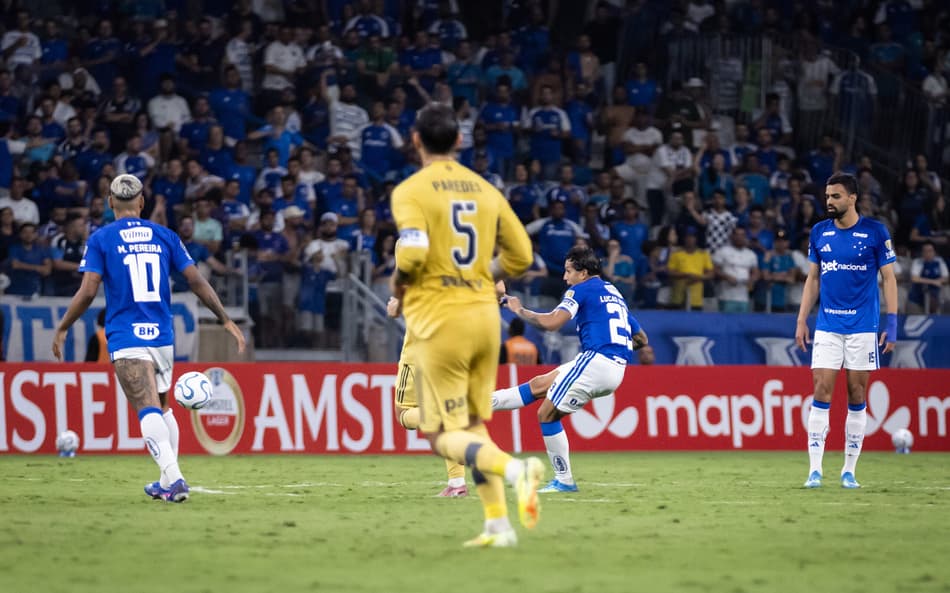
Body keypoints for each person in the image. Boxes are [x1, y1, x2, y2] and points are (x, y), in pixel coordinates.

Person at [389, 103, 542, 548]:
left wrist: (399, 293)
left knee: (440, 430)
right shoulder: (486, 189)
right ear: (459, 141)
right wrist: (478, 274)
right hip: (484, 318)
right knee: (472, 423)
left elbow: (413, 255)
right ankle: (498, 525)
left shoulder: (411, 192)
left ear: (415, 140)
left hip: (441, 318)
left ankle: (517, 470)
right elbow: (521, 257)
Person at [52, 174, 245, 503]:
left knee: (146, 408)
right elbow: (196, 280)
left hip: (126, 334)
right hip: (162, 336)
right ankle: (166, 481)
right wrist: (224, 318)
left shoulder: (102, 238)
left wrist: (63, 326)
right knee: (164, 407)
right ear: (141, 203)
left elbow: (87, 291)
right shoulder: (166, 236)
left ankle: (175, 478)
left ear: (111, 203)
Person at [495, 246, 644, 493]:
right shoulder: (614, 292)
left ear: (583, 273)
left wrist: (519, 310)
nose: (565, 278)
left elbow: (552, 323)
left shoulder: (581, 289)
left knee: (546, 414)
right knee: (539, 385)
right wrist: (617, 346)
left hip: (596, 361)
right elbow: (641, 339)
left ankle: (564, 481)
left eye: (568, 272)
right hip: (614, 366)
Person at [795, 173, 898, 490]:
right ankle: (815, 470)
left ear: (852, 197)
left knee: (856, 394)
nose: (829, 202)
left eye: (836, 196)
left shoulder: (875, 233)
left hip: (863, 328)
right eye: (827, 196)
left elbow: (889, 279)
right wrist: (802, 319)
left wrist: (891, 324)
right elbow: (813, 279)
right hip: (828, 325)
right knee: (820, 390)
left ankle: (849, 471)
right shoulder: (819, 233)